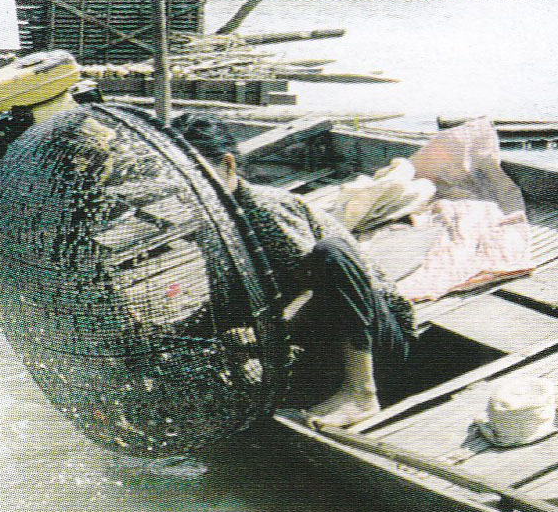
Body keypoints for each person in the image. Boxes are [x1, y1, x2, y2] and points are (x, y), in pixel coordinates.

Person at [171, 113, 413, 429]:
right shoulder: (210, 222)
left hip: (376, 337)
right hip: (321, 343)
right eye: (179, 181)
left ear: (228, 166)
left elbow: (322, 288)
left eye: (197, 178)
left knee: (331, 252)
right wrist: (188, 334)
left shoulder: (265, 208)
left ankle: (361, 393)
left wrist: (266, 332)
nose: (188, 191)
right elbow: (229, 297)